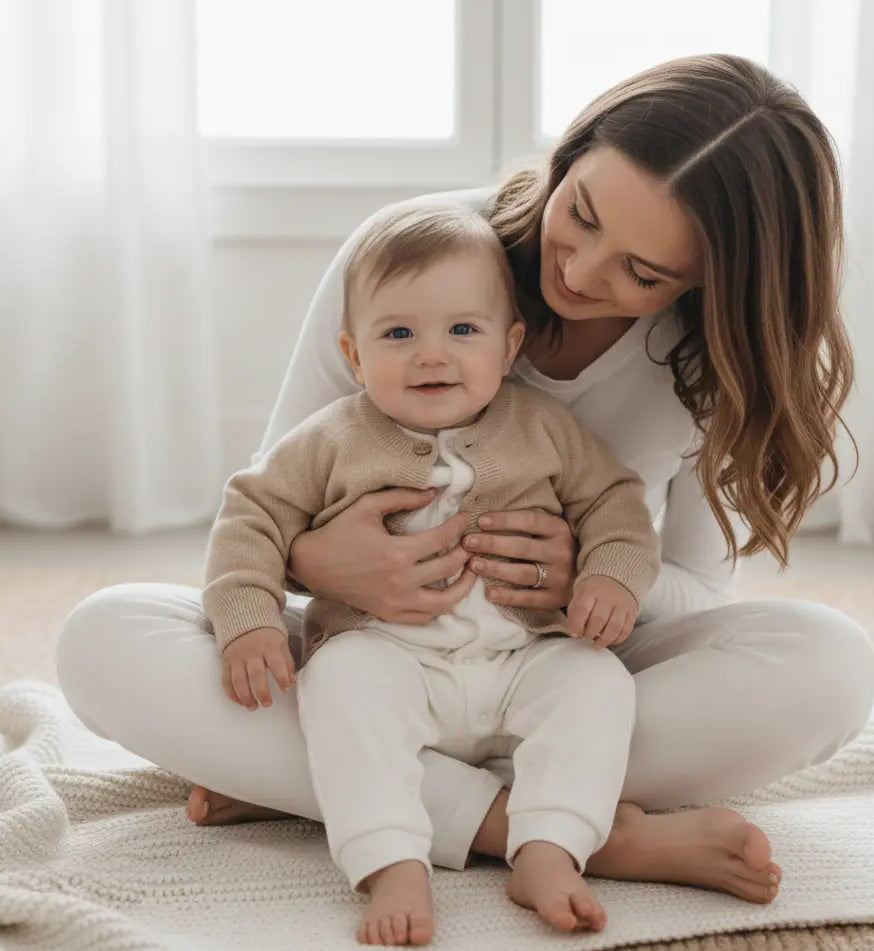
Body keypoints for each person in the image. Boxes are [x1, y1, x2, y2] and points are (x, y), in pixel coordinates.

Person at [56, 52, 874, 937]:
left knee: (829, 662)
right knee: (104, 637)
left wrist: (592, 576)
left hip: (558, 663)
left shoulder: (706, 360)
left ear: (710, 282)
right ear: (570, 154)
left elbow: (694, 591)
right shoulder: (413, 254)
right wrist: (318, 559)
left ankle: (326, 786)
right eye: (583, 214)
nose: (582, 270)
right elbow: (271, 493)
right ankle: (549, 834)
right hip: (371, 655)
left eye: (642, 273)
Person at [204, 202, 662, 944]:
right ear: (353, 355)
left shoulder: (542, 427)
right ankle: (392, 861)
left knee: (598, 682)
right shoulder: (331, 438)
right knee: (337, 680)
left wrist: (609, 576)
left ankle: (547, 848)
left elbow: (615, 502)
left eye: (461, 330)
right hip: (391, 657)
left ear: (508, 344)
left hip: (524, 657)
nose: (431, 355)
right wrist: (250, 622)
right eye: (397, 334)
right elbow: (250, 516)